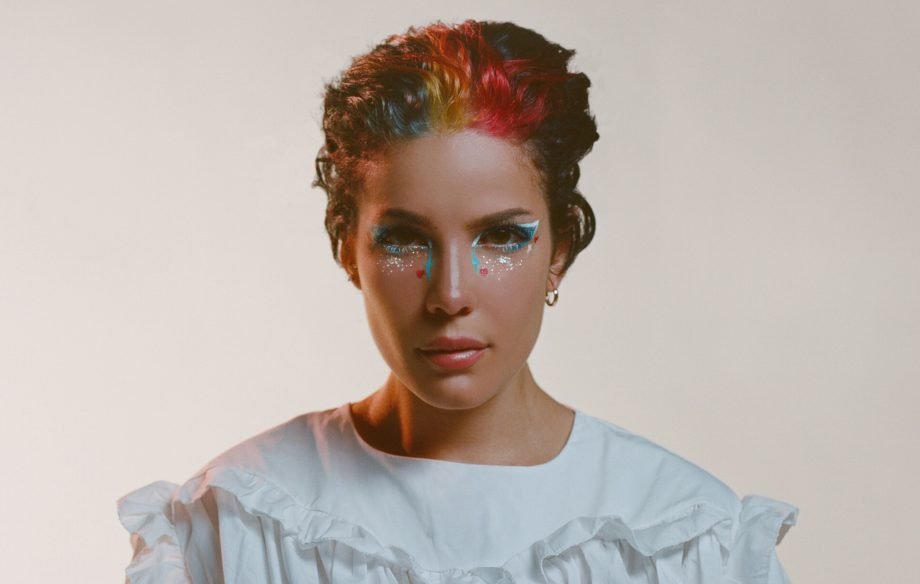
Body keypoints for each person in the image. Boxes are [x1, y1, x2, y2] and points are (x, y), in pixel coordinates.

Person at [117, 20, 797, 583]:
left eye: (500, 237)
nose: (450, 295)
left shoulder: (686, 539)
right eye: (405, 240)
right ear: (348, 250)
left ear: (559, 250)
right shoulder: (237, 523)